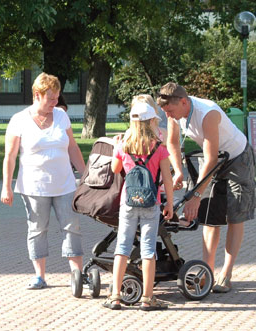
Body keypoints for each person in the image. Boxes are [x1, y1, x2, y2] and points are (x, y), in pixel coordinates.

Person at [157, 82, 256, 293]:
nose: (170, 116)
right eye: (166, 113)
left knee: (234, 216)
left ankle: (226, 274)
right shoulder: (174, 112)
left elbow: (210, 159)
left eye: (171, 111)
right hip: (214, 158)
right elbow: (173, 143)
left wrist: (196, 195)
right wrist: (178, 170)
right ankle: (207, 271)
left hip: (237, 159)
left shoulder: (207, 113)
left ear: (183, 102)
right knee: (211, 217)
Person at [0, 72, 85, 290]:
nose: (55, 103)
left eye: (57, 98)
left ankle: (77, 275)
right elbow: (10, 156)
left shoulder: (61, 116)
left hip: (65, 183)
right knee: (37, 228)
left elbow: (73, 147)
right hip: (33, 186)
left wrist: (85, 175)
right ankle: (40, 276)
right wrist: (6, 187)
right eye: (51, 99)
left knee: (71, 226)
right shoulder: (19, 120)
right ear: (37, 95)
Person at [102, 101, 173, 311]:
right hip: (152, 202)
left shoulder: (124, 145)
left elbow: (115, 169)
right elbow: (167, 179)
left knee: (122, 247)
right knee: (148, 250)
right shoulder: (159, 147)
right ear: (151, 121)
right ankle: (148, 299)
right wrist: (169, 202)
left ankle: (115, 296)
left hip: (128, 201)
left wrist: (116, 148)